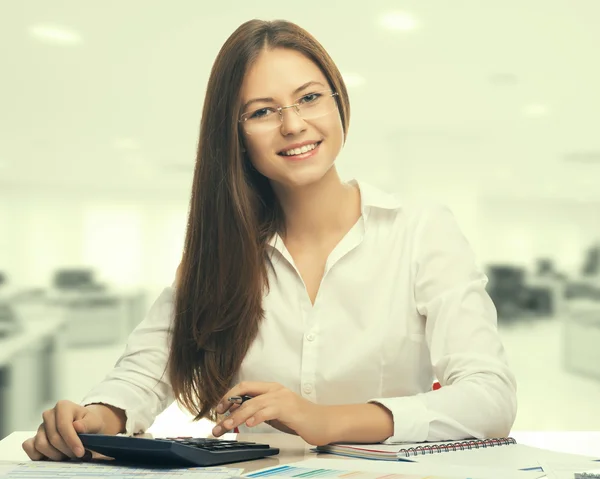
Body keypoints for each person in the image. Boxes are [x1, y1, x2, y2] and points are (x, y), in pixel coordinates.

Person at [23, 18, 517, 461]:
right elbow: (142, 375)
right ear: (235, 135)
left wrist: (328, 420)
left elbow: (489, 397)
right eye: (262, 111)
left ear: (338, 101)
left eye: (309, 97)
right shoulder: (221, 254)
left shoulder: (420, 229)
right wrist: (92, 420)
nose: (294, 124)